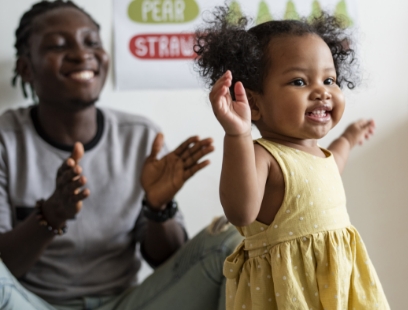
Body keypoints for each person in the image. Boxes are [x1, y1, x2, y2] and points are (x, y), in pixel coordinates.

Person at [0, 1, 242, 309]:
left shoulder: (139, 136)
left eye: (92, 43)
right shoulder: (6, 140)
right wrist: (50, 214)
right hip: (31, 303)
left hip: (127, 303)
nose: (81, 54)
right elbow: (6, 266)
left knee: (231, 241)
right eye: (59, 46)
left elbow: (170, 264)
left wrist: (158, 207)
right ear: (26, 68)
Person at [194, 6, 390, 310]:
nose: (322, 92)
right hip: (289, 294)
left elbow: (330, 168)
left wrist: (348, 139)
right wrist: (238, 135)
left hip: (337, 289)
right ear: (254, 103)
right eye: (300, 82)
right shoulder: (264, 155)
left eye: (329, 80)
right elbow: (241, 211)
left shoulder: (316, 153)